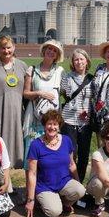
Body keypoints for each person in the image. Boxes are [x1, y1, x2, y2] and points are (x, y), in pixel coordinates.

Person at [25, 110, 85, 217]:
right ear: (44, 125)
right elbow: (32, 174)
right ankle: (42, 200)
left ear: (59, 126)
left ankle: (65, 203)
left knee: (80, 190)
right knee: (54, 212)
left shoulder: (66, 140)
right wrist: (30, 200)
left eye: (55, 124)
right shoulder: (36, 145)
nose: (52, 127)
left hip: (64, 182)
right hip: (45, 185)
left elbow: (72, 164)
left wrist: (78, 183)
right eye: (49, 124)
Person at [0, 36, 28, 172]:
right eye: (3, 48)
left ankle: (7, 182)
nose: (6, 51)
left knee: (13, 148)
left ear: (14, 48)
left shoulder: (22, 66)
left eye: (9, 47)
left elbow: (28, 91)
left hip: (17, 115)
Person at [23, 39, 64, 169]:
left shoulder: (60, 71)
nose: (51, 52)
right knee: (33, 152)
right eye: (49, 49)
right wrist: (40, 93)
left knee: (50, 151)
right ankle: (31, 184)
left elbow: (65, 91)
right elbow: (25, 93)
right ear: (44, 50)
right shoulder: (32, 70)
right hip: (35, 117)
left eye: (55, 50)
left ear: (57, 55)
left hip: (53, 117)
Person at [60, 48, 93, 182]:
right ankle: (69, 183)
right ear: (72, 63)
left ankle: (79, 184)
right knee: (70, 156)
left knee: (84, 156)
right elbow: (63, 94)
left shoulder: (92, 79)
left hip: (86, 123)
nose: (79, 62)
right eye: (76, 59)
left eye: (81, 59)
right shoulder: (67, 77)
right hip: (69, 121)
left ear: (86, 61)